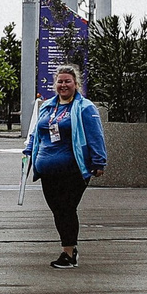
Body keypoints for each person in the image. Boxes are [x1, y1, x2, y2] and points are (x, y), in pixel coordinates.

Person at [25, 65, 107, 267]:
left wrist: (99, 161)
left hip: (73, 170)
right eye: (60, 81)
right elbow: (37, 132)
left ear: (75, 84)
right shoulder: (47, 106)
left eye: (67, 81)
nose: (63, 85)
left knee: (66, 209)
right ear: (55, 84)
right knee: (58, 210)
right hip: (47, 171)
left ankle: (68, 253)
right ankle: (70, 248)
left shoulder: (85, 107)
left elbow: (95, 136)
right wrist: (29, 149)